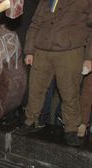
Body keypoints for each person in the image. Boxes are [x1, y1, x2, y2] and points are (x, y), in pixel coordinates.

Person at [15, 0, 92, 147]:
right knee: (36, 88)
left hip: (70, 51)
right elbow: (35, 23)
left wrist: (89, 57)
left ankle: (71, 129)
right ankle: (31, 121)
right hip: (42, 50)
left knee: (70, 92)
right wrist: (29, 50)